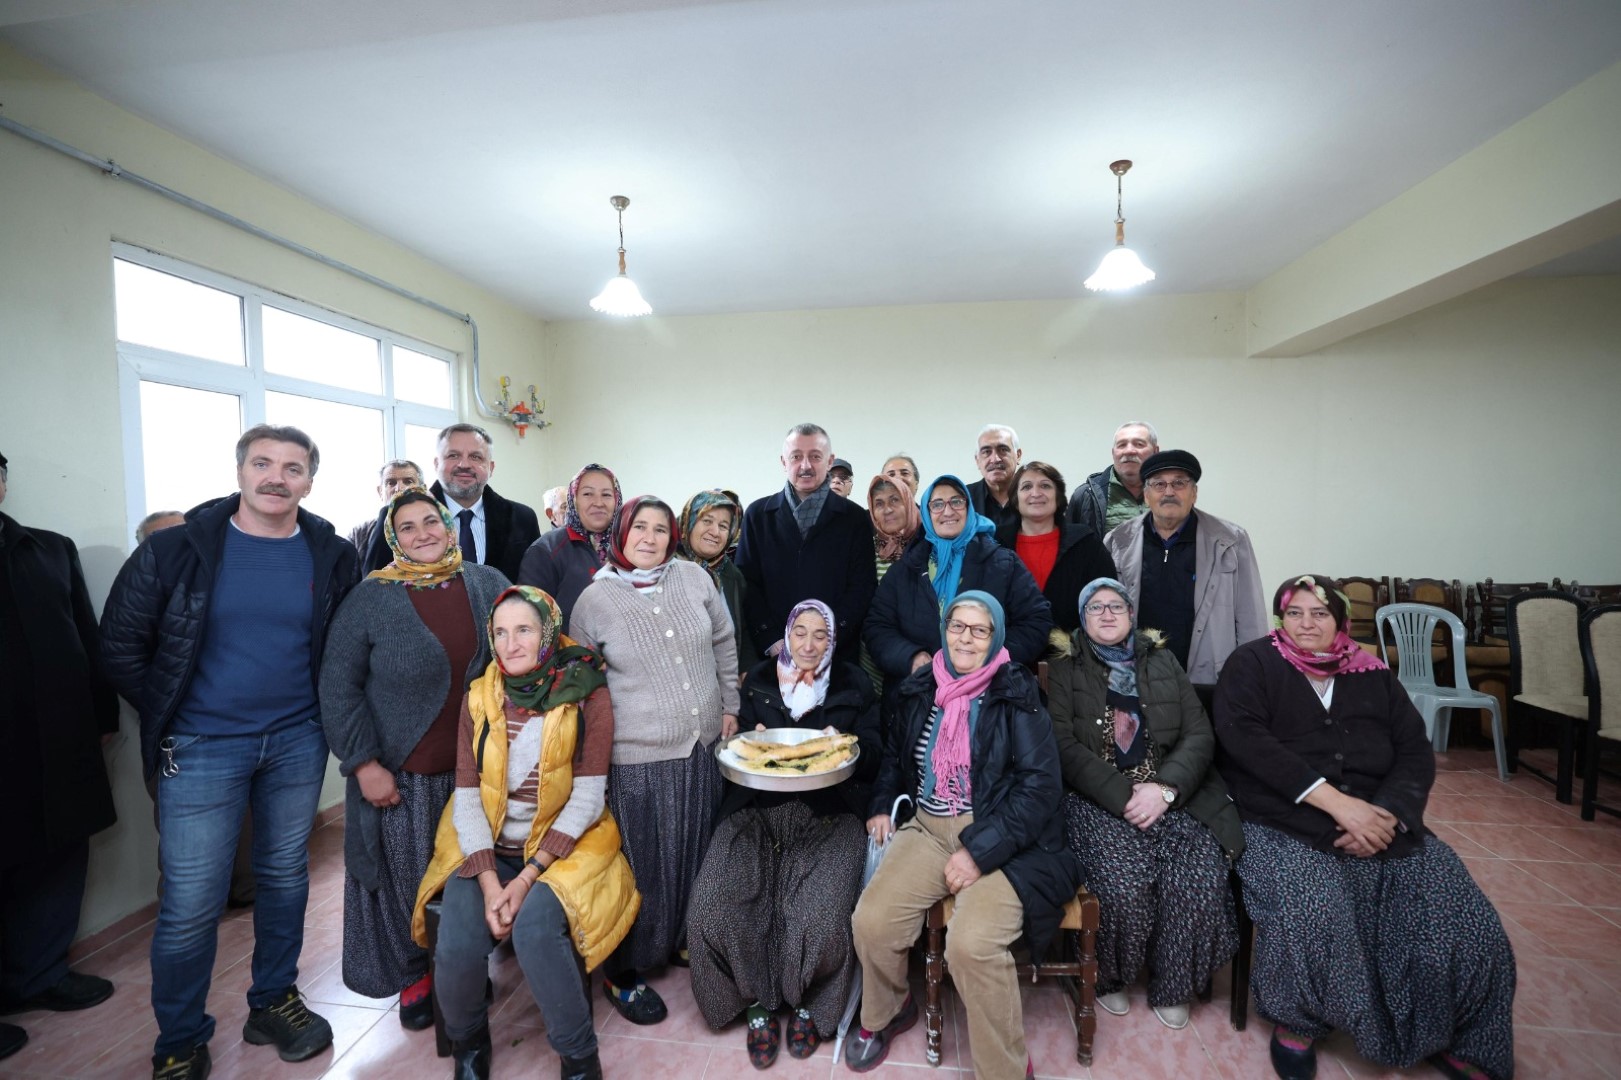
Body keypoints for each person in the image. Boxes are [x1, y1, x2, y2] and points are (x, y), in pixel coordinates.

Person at [100, 424, 357, 1079]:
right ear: (240, 471)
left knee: (283, 879)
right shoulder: (176, 549)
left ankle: (273, 1000)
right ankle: (181, 1038)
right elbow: (121, 647)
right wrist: (178, 712)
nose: (277, 477)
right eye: (264, 463)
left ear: (308, 479)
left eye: (293, 468)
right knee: (190, 903)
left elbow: (346, 646)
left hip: (297, 741)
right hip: (201, 746)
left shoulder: (329, 553)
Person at [1214, 575, 1517, 1080]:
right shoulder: (1253, 664)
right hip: (1285, 822)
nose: (1306, 624)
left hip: (1381, 821)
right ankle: (1300, 1023)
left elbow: (1415, 751)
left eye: (1319, 613)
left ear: (1341, 620)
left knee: (1466, 918)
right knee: (1311, 906)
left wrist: (1389, 814)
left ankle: (1458, 1034)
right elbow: (1245, 741)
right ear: (1280, 618)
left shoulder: (1372, 673)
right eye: (1294, 613)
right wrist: (1338, 806)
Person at [847, 592, 1079, 1079]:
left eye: (980, 630)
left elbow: (1040, 788)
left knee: (971, 945)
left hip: (1008, 839)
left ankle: (1006, 1069)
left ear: (995, 636)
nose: (966, 638)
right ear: (944, 629)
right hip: (930, 827)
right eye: (958, 626)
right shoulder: (920, 686)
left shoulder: (1016, 691)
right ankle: (890, 1009)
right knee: (872, 921)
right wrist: (879, 807)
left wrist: (979, 852)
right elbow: (894, 756)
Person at [412, 586, 638, 1080]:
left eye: (524, 630)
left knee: (536, 930)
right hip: (489, 845)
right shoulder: (480, 695)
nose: (511, 644)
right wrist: (492, 882)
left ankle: (579, 1058)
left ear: (548, 633)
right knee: (457, 938)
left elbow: (587, 797)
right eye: (500, 632)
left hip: (564, 845)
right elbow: (468, 796)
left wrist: (526, 878)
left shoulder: (586, 690)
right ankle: (470, 1045)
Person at [318, 490, 508, 1029]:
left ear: (450, 527)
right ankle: (413, 977)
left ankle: (461, 969)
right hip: (402, 773)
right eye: (407, 527)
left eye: (432, 521)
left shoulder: (486, 582)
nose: (422, 532)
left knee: (464, 879)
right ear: (392, 537)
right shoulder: (370, 598)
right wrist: (362, 764)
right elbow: (338, 689)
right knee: (406, 880)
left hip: (475, 769)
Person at [570, 497, 740, 1025]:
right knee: (641, 867)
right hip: (637, 759)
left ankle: (680, 941)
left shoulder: (694, 579)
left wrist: (730, 703)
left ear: (674, 535)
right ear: (622, 533)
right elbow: (580, 686)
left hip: (701, 747)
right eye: (639, 527)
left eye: (661, 529)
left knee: (693, 853)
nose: (650, 537)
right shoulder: (594, 600)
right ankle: (625, 972)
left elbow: (724, 642)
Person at [687, 600, 879, 1068]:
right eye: (801, 633)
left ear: (833, 641)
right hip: (755, 811)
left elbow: (874, 754)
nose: (809, 645)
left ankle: (813, 1008)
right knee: (712, 905)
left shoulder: (855, 684)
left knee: (822, 914)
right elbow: (733, 749)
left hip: (830, 815)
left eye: (821, 636)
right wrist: (745, 739)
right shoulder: (757, 679)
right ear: (787, 635)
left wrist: (844, 743)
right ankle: (755, 1006)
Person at [1046, 578, 1242, 1030]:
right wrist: (1122, 794)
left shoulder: (1164, 661)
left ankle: (1174, 982)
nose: (1107, 614)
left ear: (1132, 615)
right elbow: (1063, 745)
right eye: (1095, 608)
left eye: (1116, 606)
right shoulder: (1066, 668)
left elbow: (1198, 733)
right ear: (1082, 620)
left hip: (1172, 793)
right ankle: (1108, 976)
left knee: (1198, 875)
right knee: (1122, 882)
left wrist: (1165, 789)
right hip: (1099, 796)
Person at [0, 451, 119, 1064]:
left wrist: (103, 715)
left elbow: (85, 632)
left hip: (59, 734)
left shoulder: (47, 548)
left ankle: (42, 972)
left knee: (60, 851)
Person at [864, 475, 1052, 698]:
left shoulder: (1003, 564)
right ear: (926, 512)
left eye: (956, 501)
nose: (948, 511)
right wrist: (912, 658)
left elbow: (1036, 619)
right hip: (917, 695)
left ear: (969, 507)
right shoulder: (905, 569)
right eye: (937, 504)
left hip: (989, 694)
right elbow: (877, 627)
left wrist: (989, 657)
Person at [1105, 450, 1266, 688]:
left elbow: (1250, 615)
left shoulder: (1230, 540)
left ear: (1194, 493)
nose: (1169, 492)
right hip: (1137, 677)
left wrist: (1252, 674)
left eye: (1179, 483)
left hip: (1210, 677)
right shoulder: (1118, 541)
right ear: (1146, 495)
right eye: (1159, 484)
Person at [736, 424, 876, 665]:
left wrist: (826, 640)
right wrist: (771, 639)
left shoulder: (855, 519)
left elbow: (862, 587)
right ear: (783, 462)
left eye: (815, 456)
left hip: (836, 657)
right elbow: (748, 583)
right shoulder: (758, 515)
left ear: (830, 461)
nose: (805, 465)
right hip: (774, 656)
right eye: (796, 457)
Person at [361, 425, 539, 583]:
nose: (464, 464)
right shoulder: (396, 517)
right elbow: (375, 588)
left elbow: (533, 588)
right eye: (453, 456)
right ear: (437, 464)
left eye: (476, 457)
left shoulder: (522, 518)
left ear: (491, 467)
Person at [996, 461, 1117, 636]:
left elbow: (1108, 601)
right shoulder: (996, 544)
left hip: (1073, 655)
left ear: (1058, 496)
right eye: (1026, 487)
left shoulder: (1086, 543)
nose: (1036, 493)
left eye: (1045, 486)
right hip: (1009, 653)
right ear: (1015, 499)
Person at [518, 463, 623, 629]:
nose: (598, 502)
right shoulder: (545, 551)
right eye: (588, 494)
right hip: (571, 652)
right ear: (573, 499)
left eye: (606, 495)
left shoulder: (628, 547)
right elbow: (530, 621)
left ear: (617, 500)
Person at [676, 488, 759, 672]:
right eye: (707, 521)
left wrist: (745, 673)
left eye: (723, 526)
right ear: (689, 522)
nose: (715, 532)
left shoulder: (732, 575)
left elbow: (742, 633)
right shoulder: (663, 568)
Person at [859, 474, 921, 694]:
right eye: (879, 504)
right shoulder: (863, 551)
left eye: (895, 500)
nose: (887, 509)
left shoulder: (928, 547)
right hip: (873, 657)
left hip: (919, 659)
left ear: (909, 501)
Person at [1067, 421, 1159, 536]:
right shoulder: (1086, 495)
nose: (1129, 450)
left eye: (1139, 444)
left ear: (1155, 451)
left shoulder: (1174, 491)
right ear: (1113, 453)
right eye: (1122, 445)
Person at [345, 459, 423, 564]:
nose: (399, 488)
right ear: (380, 492)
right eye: (391, 483)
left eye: (408, 482)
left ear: (422, 490)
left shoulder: (438, 528)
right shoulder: (359, 533)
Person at [964, 424, 1023, 529]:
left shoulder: (1034, 497)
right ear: (977, 460)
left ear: (1018, 455)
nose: (995, 459)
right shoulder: (963, 498)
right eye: (987, 452)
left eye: (1003, 450)